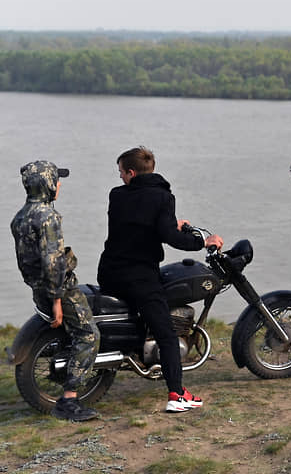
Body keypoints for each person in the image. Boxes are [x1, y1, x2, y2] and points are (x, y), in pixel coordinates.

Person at [96, 146, 223, 413]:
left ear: (131, 173)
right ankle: (177, 394)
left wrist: (170, 222)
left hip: (109, 272)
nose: (119, 177)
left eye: (120, 172)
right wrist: (202, 241)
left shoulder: (117, 195)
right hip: (139, 276)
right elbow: (170, 237)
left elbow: (136, 224)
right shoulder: (162, 197)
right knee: (166, 333)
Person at [11, 161, 100, 421]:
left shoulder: (20, 217)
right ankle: (69, 400)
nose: (59, 184)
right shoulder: (48, 216)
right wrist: (57, 300)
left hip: (37, 287)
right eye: (56, 180)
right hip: (59, 289)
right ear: (47, 184)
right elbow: (53, 261)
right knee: (88, 335)